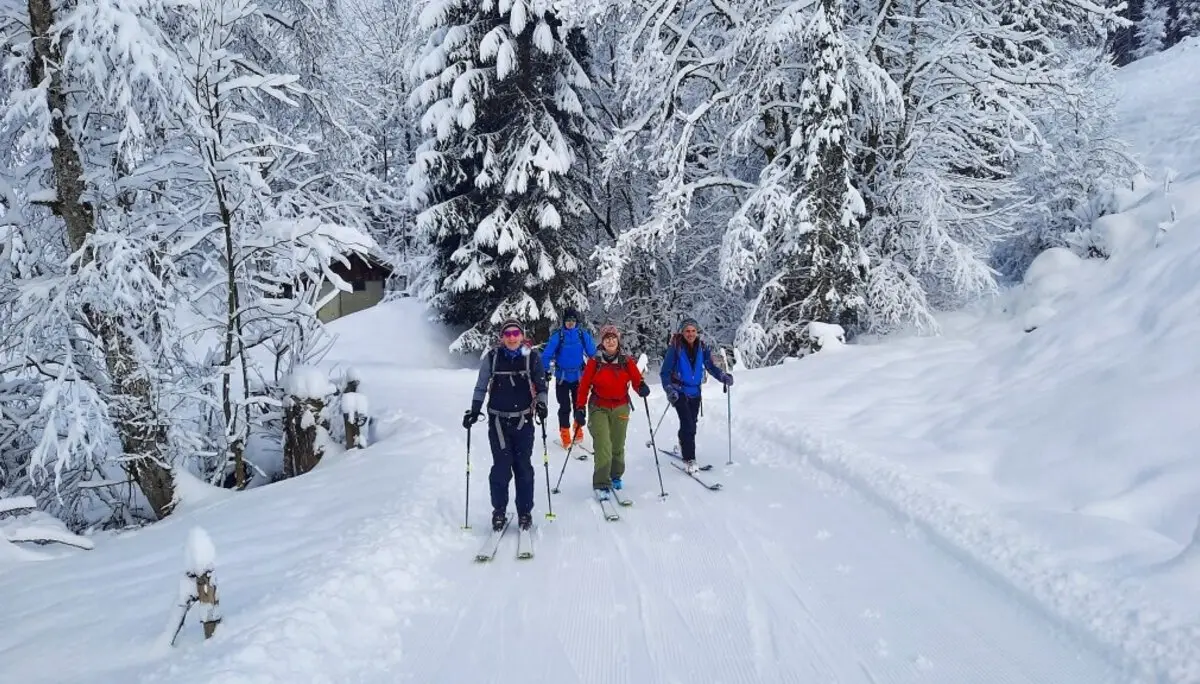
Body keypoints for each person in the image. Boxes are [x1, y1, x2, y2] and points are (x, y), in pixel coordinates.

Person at [463, 318, 549, 531]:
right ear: (502, 337)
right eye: (507, 334)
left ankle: (525, 512)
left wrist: (542, 405)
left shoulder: (532, 358)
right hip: (498, 422)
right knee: (501, 468)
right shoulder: (493, 357)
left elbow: (541, 386)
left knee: (523, 469)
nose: (512, 338)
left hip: (524, 421)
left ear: (522, 336)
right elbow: (481, 385)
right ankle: (499, 511)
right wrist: (474, 410)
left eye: (515, 334)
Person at [574, 324, 650, 498]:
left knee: (617, 444)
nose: (610, 341)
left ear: (618, 340)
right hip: (598, 407)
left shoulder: (625, 360)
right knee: (603, 445)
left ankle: (615, 476)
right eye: (607, 338)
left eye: (613, 338)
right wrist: (579, 407)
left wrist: (642, 387)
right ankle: (601, 482)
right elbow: (584, 386)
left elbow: (637, 380)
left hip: (621, 406)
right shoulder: (595, 361)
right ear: (602, 341)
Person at [659, 318, 732, 472]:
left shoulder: (702, 347)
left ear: (697, 332)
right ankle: (689, 459)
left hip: (695, 392)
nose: (690, 334)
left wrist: (723, 377)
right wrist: (669, 389)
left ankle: (682, 441)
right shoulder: (675, 348)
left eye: (693, 331)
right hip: (678, 392)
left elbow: (710, 366)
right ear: (682, 332)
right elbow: (665, 372)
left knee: (692, 423)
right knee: (688, 424)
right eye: (687, 331)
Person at [540, 308, 597, 448]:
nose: (570, 323)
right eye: (567, 320)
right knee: (564, 407)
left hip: (579, 378)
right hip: (562, 378)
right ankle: (565, 433)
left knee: (579, 405)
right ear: (563, 322)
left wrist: (596, 369)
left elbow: (593, 354)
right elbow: (546, 354)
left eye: (573, 320)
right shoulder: (558, 336)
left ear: (576, 322)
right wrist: (545, 370)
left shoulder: (582, 335)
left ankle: (578, 430)